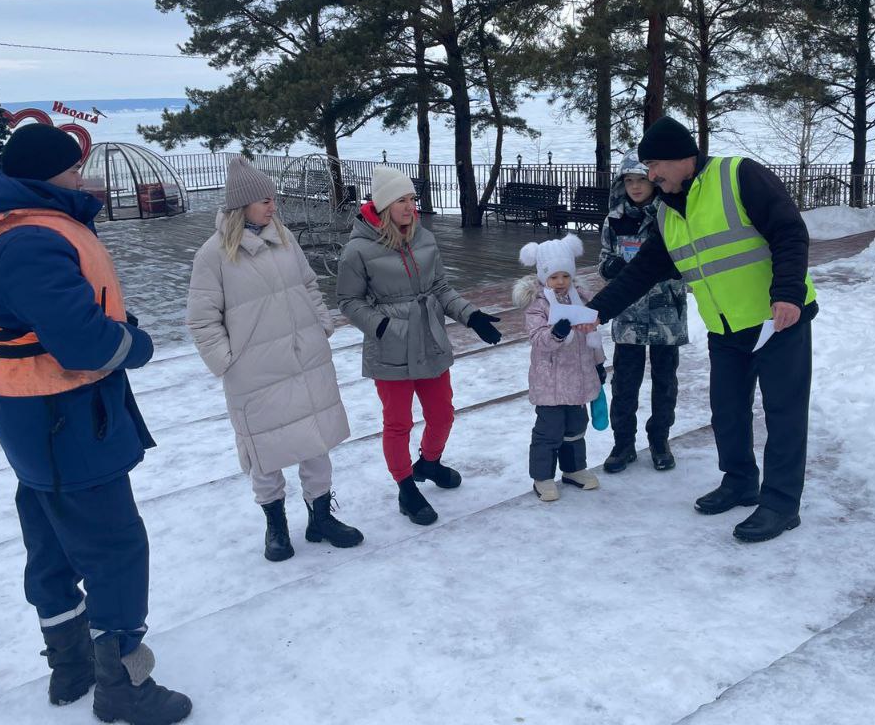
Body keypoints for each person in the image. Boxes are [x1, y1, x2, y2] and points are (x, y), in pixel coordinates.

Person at [0, 123, 191, 725]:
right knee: (115, 546)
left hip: (31, 413)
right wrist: (134, 341)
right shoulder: (29, 240)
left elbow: (53, 313)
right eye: (73, 170)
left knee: (49, 540)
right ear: (46, 176)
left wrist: (107, 317)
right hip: (65, 414)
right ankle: (123, 680)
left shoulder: (5, 226)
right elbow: (81, 344)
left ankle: (70, 665)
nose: (82, 178)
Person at [588, 116, 819, 543]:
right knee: (727, 411)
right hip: (727, 328)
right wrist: (596, 311)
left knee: (784, 414)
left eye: (655, 165)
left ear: (683, 157)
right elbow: (643, 271)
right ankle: (740, 481)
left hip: (777, 321)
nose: (650, 175)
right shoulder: (668, 213)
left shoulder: (738, 176)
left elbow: (789, 231)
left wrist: (787, 292)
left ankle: (781, 503)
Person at [186, 156, 362, 563]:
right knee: (265, 453)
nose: (272, 205)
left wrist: (322, 324)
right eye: (263, 199)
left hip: (305, 361)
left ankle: (320, 519)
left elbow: (308, 283)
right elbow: (201, 320)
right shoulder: (213, 255)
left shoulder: (284, 237)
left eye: (272, 197)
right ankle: (276, 526)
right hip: (255, 373)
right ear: (240, 205)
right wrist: (229, 362)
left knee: (315, 442)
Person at [337, 166, 503, 525]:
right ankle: (406, 487)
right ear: (383, 205)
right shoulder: (358, 250)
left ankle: (429, 462)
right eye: (402, 200)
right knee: (397, 423)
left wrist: (471, 316)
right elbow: (349, 301)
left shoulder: (423, 237)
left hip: (430, 340)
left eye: (413, 199)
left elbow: (441, 288)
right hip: (391, 347)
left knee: (442, 413)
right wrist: (383, 326)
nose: (411, 206)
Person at [597, 149, 688, 473]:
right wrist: (613, 266)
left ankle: (659, 440)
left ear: (653, 180)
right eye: (629, 181)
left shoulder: (671, 214)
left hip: (667, 312)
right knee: (624, 382)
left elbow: (688, 259)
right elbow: (604, 262)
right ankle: (623, 444)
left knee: (665, 382)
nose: (635, 187)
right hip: (629, 314)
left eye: (641, 179)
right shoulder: (615, 219)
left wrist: (671, 271)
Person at [515, 234, 605, 502]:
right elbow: (538, 340)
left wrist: (599, 366)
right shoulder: (538, 305)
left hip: (579, 378)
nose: (560, 282)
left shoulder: (582, 299)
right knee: (549, 430)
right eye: (554, 277)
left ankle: (574, 469)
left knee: (576, 426)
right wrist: (557, 331)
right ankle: (542, 476)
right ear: (544, 277)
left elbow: (592, 336)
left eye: (565, 276)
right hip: (550, 382)